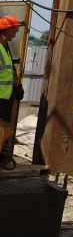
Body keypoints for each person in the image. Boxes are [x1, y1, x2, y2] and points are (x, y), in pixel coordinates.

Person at [0, 15, 22, 170]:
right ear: (8, 30)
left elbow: (9, 71)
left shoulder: (5, 46)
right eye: (15, 29)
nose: (16, 33)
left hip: (5, 97)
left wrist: (17, 86)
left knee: (3, 131)